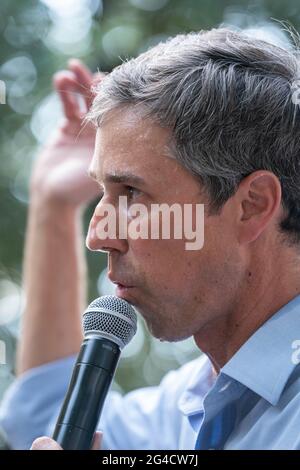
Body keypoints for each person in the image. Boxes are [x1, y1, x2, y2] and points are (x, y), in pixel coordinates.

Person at [2, 27, 300, 450]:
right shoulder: (192, 404)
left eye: (132, 193)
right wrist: (54, 206)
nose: (98, 236)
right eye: (102, 193)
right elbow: (43, 415)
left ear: (251, 205)